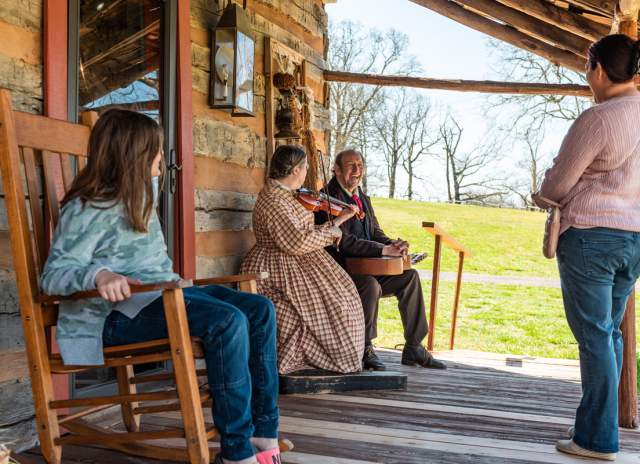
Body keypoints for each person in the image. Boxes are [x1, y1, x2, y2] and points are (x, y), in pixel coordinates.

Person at [40, 109, 282, 464]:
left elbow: (149, 265)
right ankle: (237, 451)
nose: (161, 159)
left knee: (259, 309)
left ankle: (263, 432)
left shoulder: (139, 196)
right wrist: (99, 276)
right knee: (227, 321)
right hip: (111, 318)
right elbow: (53, 275)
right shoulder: (86, 208)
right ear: (131, 155)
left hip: (159, 296)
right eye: (155, 151)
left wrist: (169, 280)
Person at [534, 34, 640, 462]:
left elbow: (558, 185)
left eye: (586, 68)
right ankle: (597, 426)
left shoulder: (598, 119)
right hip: (634, 239)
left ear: (598, 68)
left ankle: (595, 440)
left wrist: (546, 184)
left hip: (591, 237)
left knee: (594, 336)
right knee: (608, 333)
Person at [240, 144, 365, 374]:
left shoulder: (287, 196)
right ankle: (317, 357)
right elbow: (296, 242)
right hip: (278, 264)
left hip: (298, 260)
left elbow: (304, 234)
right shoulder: (274, 201)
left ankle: (341, 356)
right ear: (295, 170)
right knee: (325, 310)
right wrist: (332, 230)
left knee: (344, 302)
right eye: (305, 167)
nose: (307, 171)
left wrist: (335, 224)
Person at [317, 149, 446, 371]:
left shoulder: (362, 198)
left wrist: (393, 245)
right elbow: (345, 242)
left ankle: (414, 347)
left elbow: (375, 232)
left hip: (369, 265)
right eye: (350, 165)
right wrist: (383, 249)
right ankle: (365, 348)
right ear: (336, 169)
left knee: (410, 277)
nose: (357, 170)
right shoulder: (326, 200)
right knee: (370, 284)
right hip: (341, 270)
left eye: (360, 164)